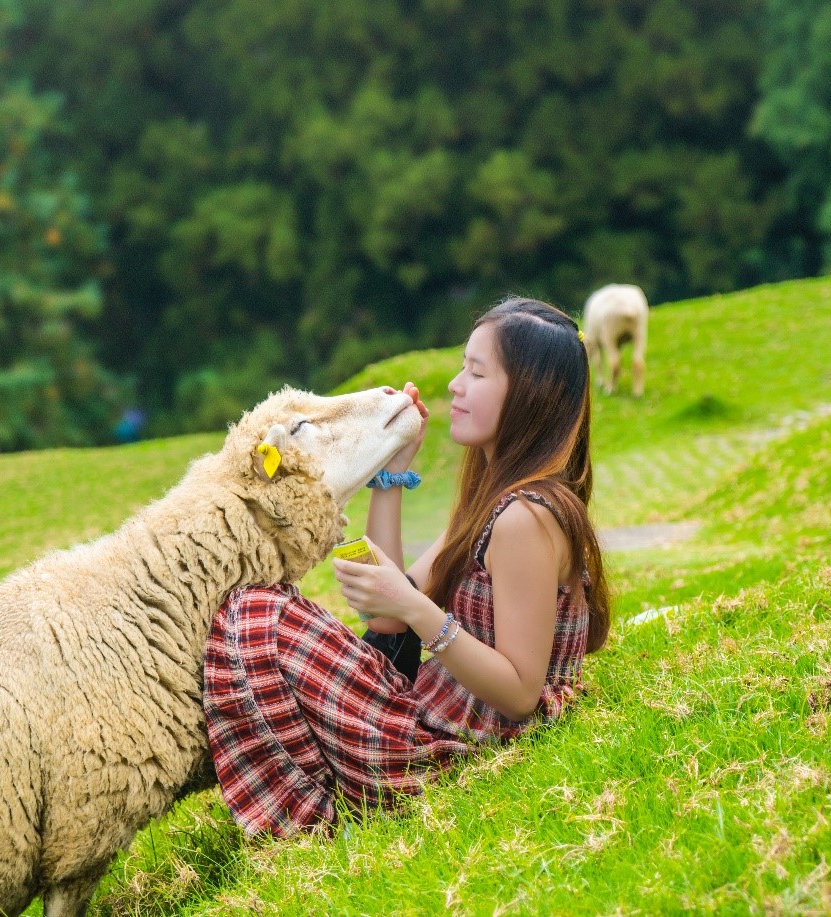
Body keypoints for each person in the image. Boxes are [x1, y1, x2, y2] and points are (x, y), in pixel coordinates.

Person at [202, 296, 612, 836]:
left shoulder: (525, 518)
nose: (455, 386)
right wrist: (390, 475)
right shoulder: (496, 502)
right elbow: (388, 615)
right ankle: (320, 794)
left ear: (527, 396)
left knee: (256, 618)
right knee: (257, 610)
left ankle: (315, 817)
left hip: (450, 753)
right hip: (428, 719)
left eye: (477, 371)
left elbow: (519, 694)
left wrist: (417, 609)